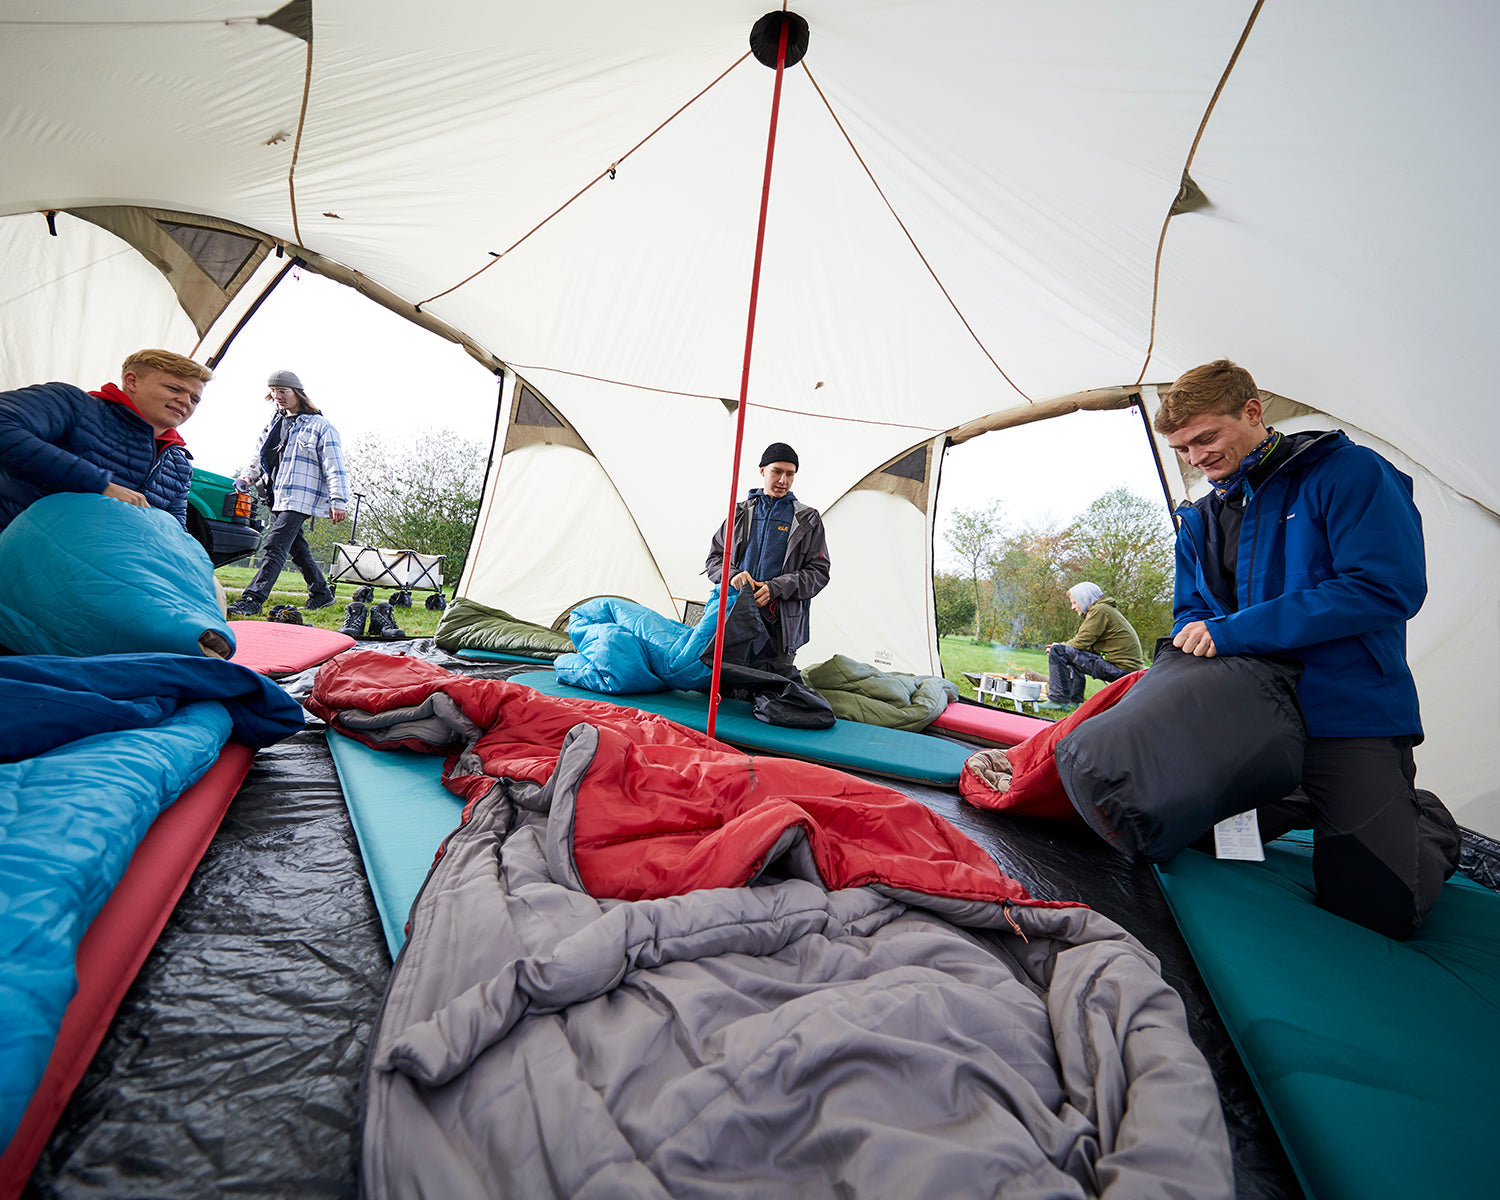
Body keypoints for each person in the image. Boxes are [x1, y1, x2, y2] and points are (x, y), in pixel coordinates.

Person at [1156, 358, 1460, 939]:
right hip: (1253, 724)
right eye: (1182, 449)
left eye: (1207, 438)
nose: (1197, 459)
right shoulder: (1198, 519)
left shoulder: (1349, 473)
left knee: (1378, 911)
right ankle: (1294, 798)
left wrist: (1236, 631)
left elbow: (1383, 587)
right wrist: (1195, 637)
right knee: (1187, 833)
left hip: (1348, 717)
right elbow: (1191, 612)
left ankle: (1426, 819)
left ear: (1252, 412)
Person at [0, 349, 211, 534]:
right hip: (13, 547)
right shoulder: (74, 405)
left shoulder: (179, 464)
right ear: (131, 381)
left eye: (194, 399)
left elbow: (174, 528)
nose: (185, 401)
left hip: (87, 570)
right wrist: (97, 484)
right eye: (174, 389)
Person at [227, 370, 349, 616]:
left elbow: (334, 465)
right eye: (273, 391)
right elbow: (260, 454)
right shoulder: (275, 423)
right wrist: (246, 475)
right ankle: (321, 594)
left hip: (301, 496)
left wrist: (338, 500)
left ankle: (252, 599)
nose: (277, 396)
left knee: (275, 544)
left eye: (282, 391)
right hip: (277, 495)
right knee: (296, 547)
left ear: (298, 393)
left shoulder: (320, 426)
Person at [705, 442, 830, 668]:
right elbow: (714, 559)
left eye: (790, 474)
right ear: (762, 470)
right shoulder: (739, 513)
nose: (783, 480)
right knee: (728, 688)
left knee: (770, 695)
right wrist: (733, 575)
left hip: (780, 628)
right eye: (777, 472)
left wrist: (776, 588)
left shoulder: (808, 519)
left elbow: (819, 573)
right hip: (735, 619)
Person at [1043, 582, 1145, 709]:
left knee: (1059, 650)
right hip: (1130, 670)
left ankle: (1057, 701)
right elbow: (1083, 646)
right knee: (1070, 651)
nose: (1072, 607)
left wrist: (1057, 646)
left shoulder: (1099, 610)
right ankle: (1072, 701)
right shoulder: (1104, 610)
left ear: (1084, 599)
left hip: (1123, 671)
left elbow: (1080, 642)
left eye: (1074, 602)